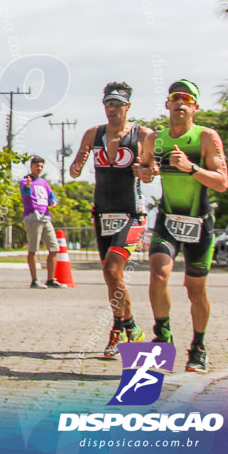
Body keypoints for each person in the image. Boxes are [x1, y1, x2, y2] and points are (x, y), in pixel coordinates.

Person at [136, 80, 228, 373]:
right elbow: (146, 170)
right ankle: (162, 337)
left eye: (187, 99)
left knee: (195, 290)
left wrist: (192, 168)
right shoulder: (155, 139)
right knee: (159, 273)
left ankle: (198, 347)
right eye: (175, 98)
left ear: (195, 107)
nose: (180, 103)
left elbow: (223, 183)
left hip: (199, 223)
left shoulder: (206, 138)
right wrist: (145, 172)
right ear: (167, 105)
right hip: (168, 219)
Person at [69, 82, 153, 358]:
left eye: (118, 104)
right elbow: (76, 167)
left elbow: (153, 170)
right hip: (103, 214)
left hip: (132, 213)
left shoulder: (144, 135)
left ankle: (125, 328)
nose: (112, 109)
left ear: (128, 107)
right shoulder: (94, 134)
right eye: (108, 104)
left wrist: (145, 171)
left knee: (113, 270)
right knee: (110, 276)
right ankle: (125, 329)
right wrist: (77, 163)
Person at [20, 156, 63, 289]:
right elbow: (25, 192)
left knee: (54, 248)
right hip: (33, 217)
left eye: (41, 167)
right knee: (33, 249)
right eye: (37, 166)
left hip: (45, 217)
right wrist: (27, 186)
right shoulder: (25, 181)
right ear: (31, 166)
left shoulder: (44, 182)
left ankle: (50, 279)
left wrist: (54, 201)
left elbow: (51, 196)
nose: (39, 169)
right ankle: (34, 280)